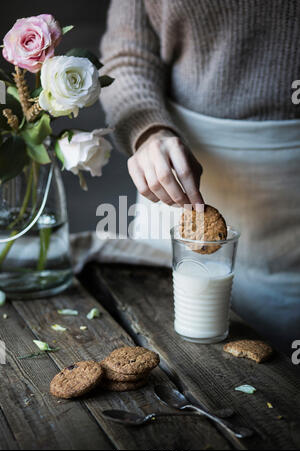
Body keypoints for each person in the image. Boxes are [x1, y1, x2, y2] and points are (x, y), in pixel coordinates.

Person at [99, 0, 300, 354]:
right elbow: (126, 55)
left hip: (290, 201)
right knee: (170, 349)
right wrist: (147, 131)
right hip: (173, 171)